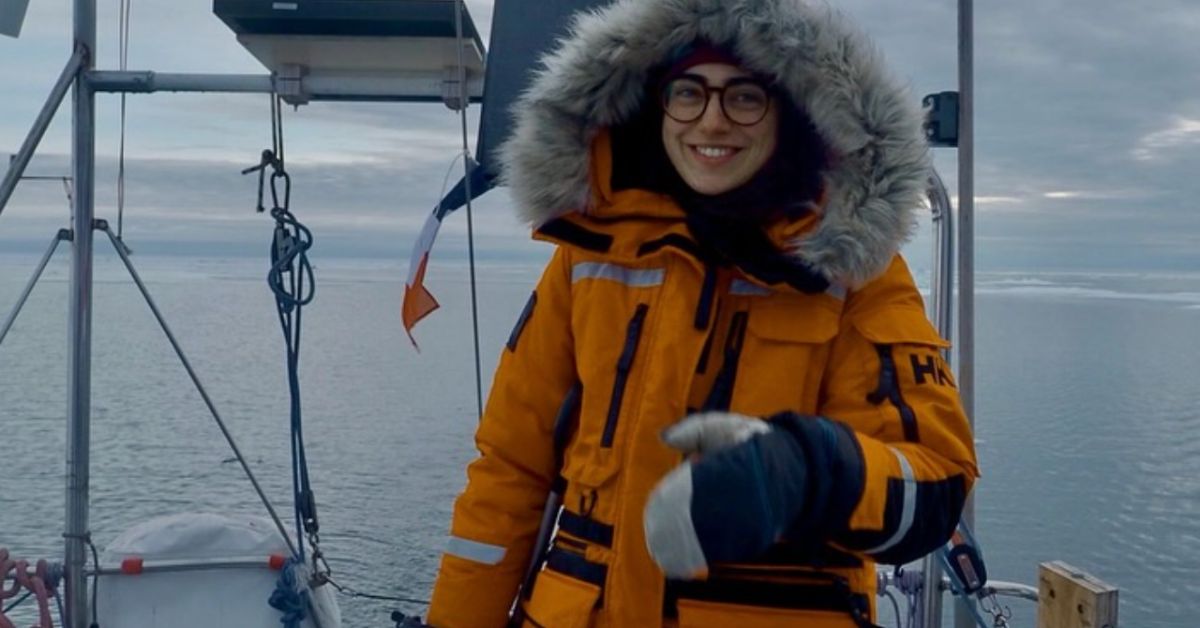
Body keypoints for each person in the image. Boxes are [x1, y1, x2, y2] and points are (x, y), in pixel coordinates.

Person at [427, 0, 978, 626]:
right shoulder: (587, 259)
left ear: (790, 113)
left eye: (744, 98)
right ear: (655, 106)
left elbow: (935, 489)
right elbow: (508, 473)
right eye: (688, 93)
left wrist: (810, 469)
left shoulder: (853, 272)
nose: (711, 122)